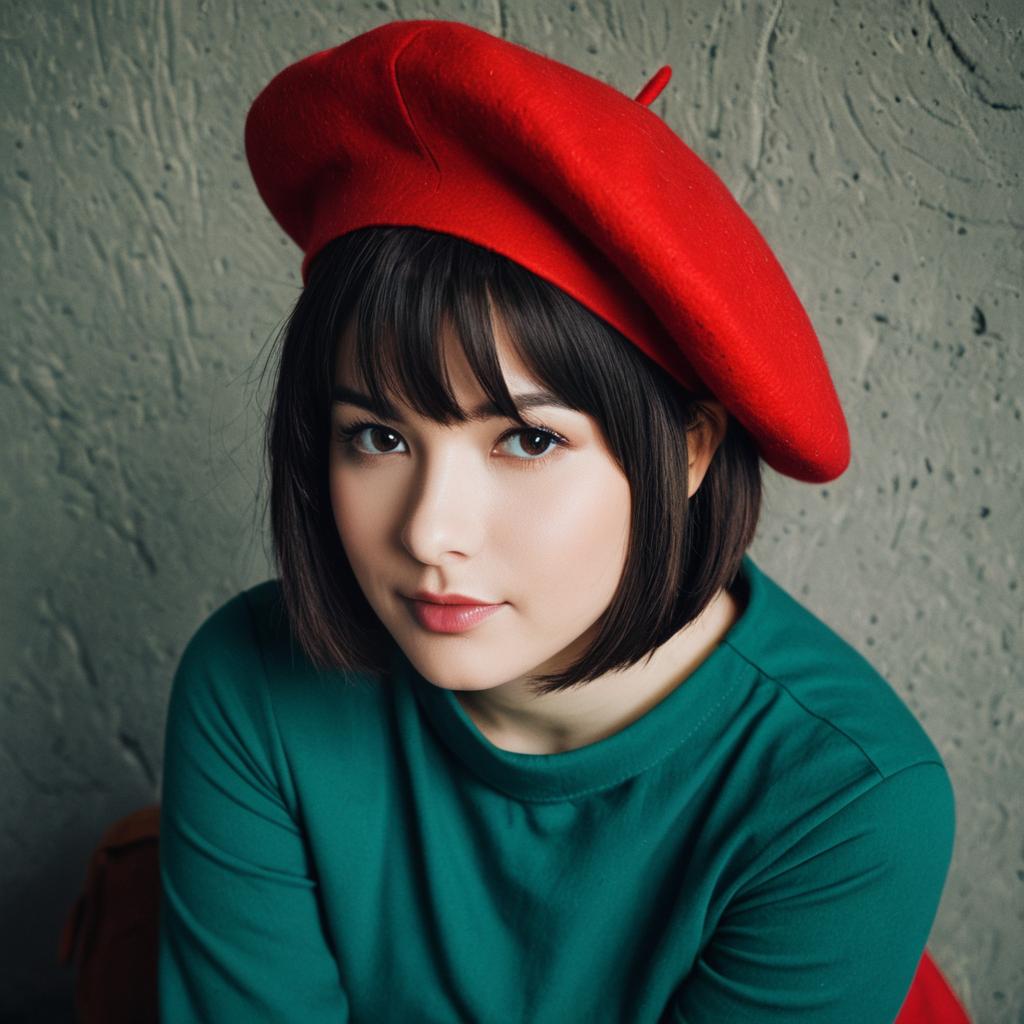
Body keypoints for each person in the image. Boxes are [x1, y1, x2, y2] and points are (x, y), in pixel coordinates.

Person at [157, 19, 956, 1023]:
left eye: (527, 440)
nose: (428, 534)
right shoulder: (251, 686)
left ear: (689, 451)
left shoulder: (847, 797)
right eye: (378, 436)